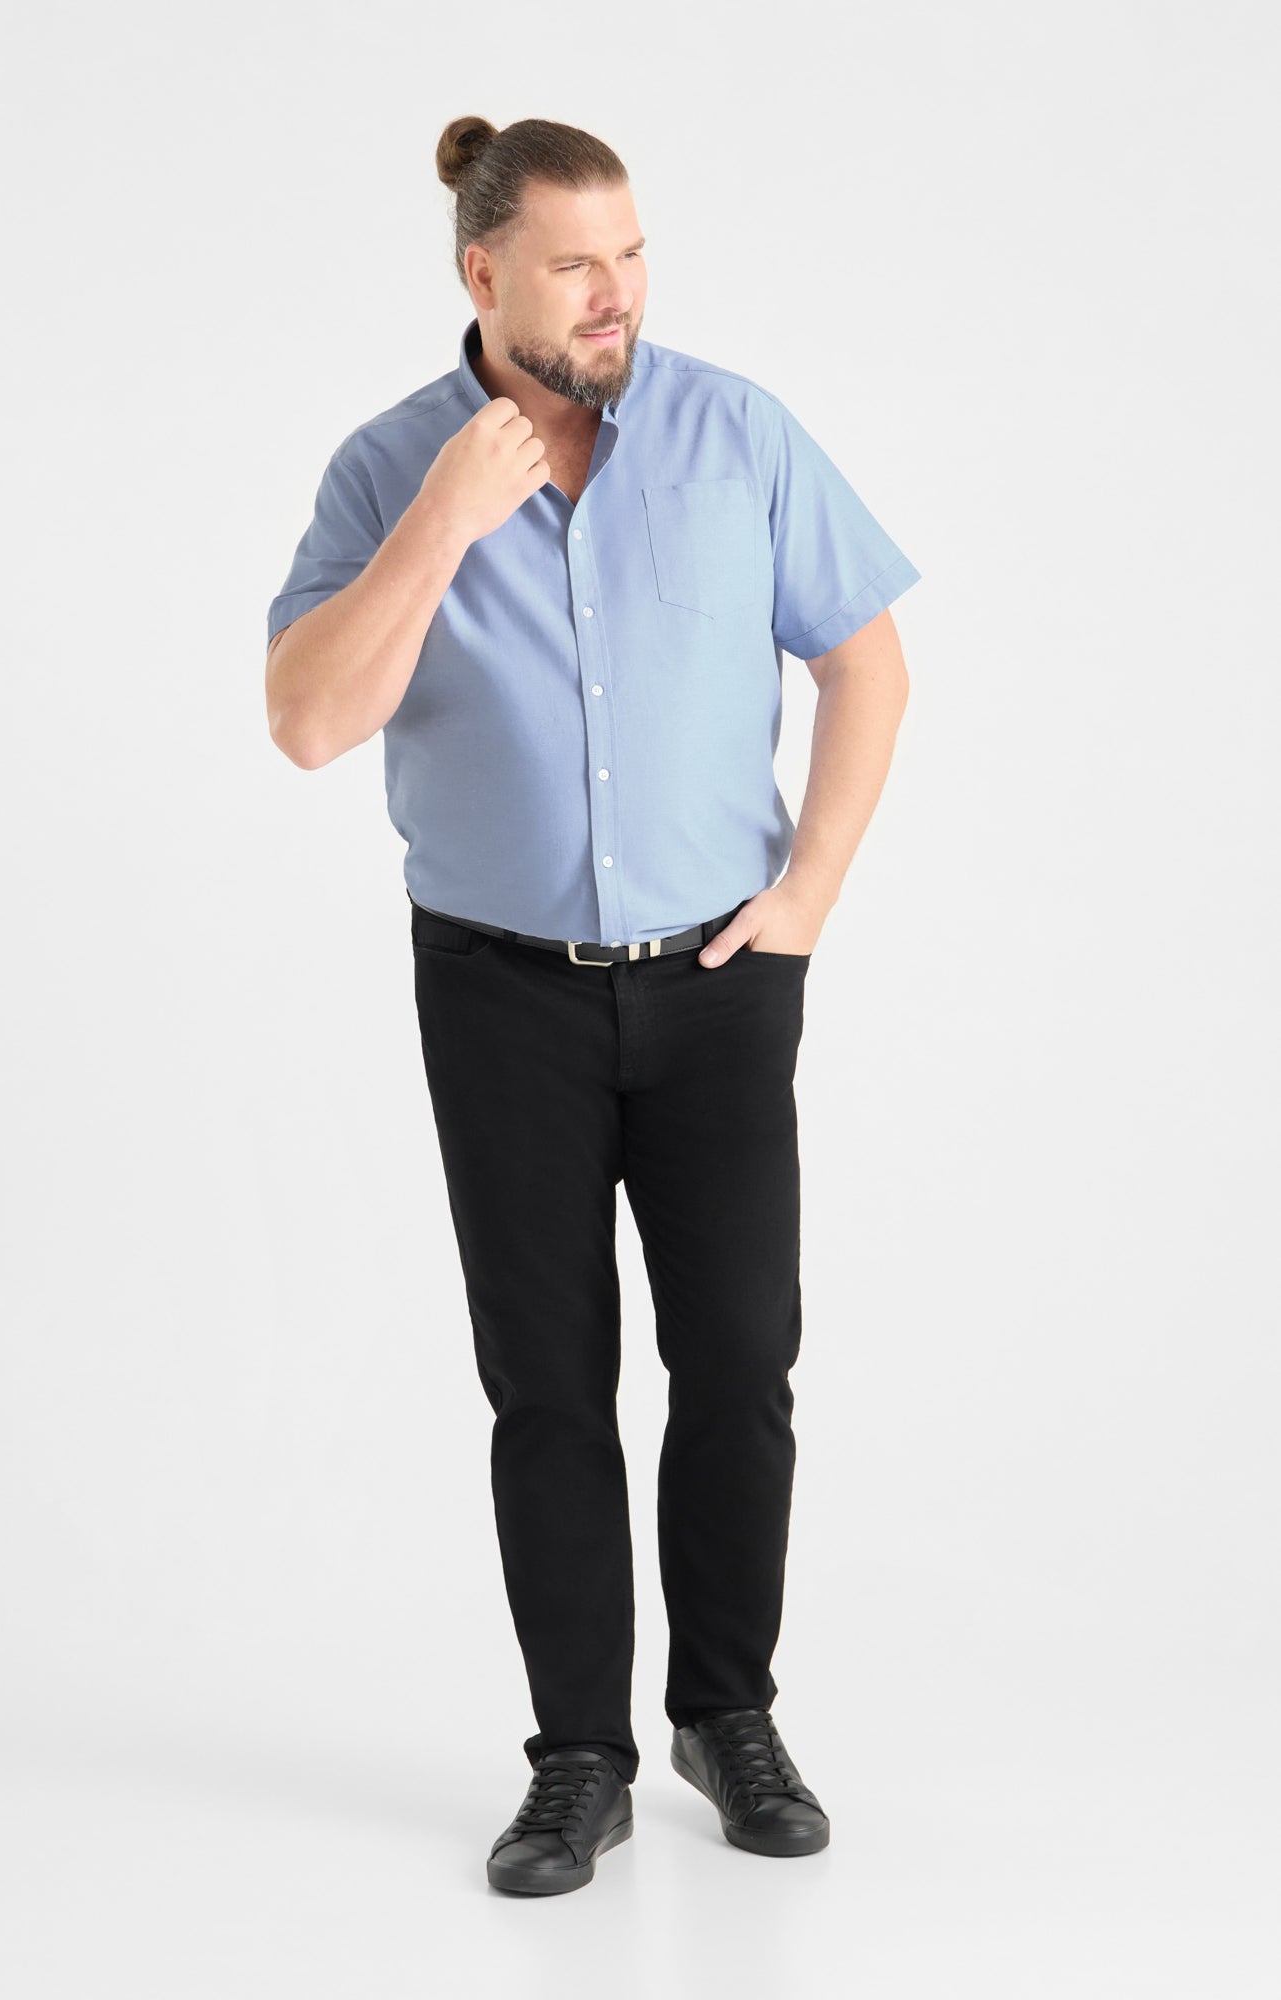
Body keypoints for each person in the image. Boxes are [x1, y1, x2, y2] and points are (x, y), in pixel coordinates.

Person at [264, 114, 921, 1897]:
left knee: (741, 1362)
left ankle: (728, 1712)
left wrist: (806, 899)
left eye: (631, 255)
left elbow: (866, 659)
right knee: (547, 1387)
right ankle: (578, 1758)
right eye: (575, 264)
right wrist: (441, 523)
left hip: (720, 982)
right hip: (500, 997)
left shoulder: (736, 435)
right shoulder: (385, 468)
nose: (616, 292)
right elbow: (310, 721)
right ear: (482, 272)